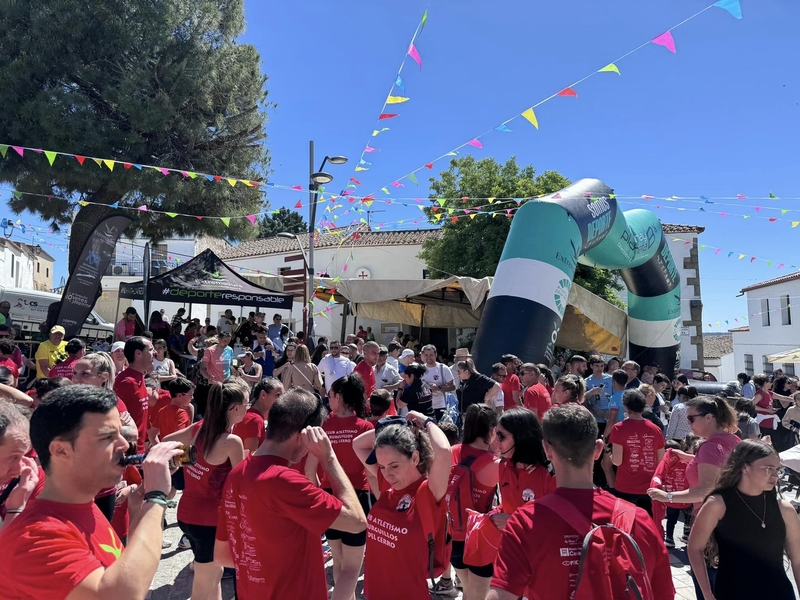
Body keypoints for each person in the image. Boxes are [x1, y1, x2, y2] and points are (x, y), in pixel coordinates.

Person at [0, 385, 182, 598]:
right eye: (107, 437)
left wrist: (143, 495)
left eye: (120, 434)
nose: (124, 445)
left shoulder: (80, 505)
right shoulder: (37, 536)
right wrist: (157, 497)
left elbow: (123, 567)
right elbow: (120, 595)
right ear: (61, 450)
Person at [487, 404, 674, 600]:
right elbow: (663, 592)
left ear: (547, 450)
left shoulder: (524, 523)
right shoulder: (640, 520)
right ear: (598, 449)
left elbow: (501, 594)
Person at [215, 388, 367, 599]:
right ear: (303, 436)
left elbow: (223, 556)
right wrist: (328, 457)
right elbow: (357, 521)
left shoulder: (237, 473)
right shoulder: (284, 481)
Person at [353, 410, 452, 600]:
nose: (387, 474)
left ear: (415, 458)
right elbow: (357, 444)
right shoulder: (387, 482)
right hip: (373, 593)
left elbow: (444, 451)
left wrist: (425, 421)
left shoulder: (427, 492)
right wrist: (395, 428)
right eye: (382, 466)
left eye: (394, 466)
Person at [648, 396, 740, 594]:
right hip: (732, 521)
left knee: (708, 586)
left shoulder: (709, 447)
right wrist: (689, 457)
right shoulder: (732, 440)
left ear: (708, 417)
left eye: (691, 419)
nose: (687, 423)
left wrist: (666, 496)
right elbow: (719, 466)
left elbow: (704, 489)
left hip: (711, 527)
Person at [165, 378, 247, 600]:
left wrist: (186, 461)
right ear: (235, 408)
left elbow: (165, 441)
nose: (248, 409)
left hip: (188, 514)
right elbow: (241, 484)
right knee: (204, 582)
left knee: (216, 570)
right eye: (247, 404)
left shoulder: (200, 428)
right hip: (209, 521)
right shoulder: (231, 441)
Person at [688, 440, 800, 600]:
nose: (775, 476)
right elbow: (694, 548)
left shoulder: (784, 509)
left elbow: (798, 560)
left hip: (779, 592)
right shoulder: (718, 504)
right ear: (745, 467)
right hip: (732, 592)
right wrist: (707, 593)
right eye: (768, 469)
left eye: (777, 470)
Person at [304, 375, 374, 599]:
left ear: (340, 397)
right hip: (358, 497)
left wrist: (318, 495)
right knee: (352, 568)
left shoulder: (323, 426)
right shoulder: (365, 427)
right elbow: (372, 470)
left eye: (331, 395)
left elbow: (309, 469)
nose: (328, 398)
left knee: (338, 558)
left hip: (329, 497)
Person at [449, 404, 501, 600]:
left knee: (468, 588)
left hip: (451, 533)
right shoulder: (495, 463)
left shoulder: (451, 452)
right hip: (477, 537)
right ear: (491, 430)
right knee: (479, 593)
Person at [490, 407, 555, 519]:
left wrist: (512, 522)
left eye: (501, 435)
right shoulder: (503, 466)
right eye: (496, 434)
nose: (495, 440)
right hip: (510, 535)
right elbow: (507, 506)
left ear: (521, 437)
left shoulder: (549, 474)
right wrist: (488, 517)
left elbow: (553, 520)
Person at [610, 390, 665, 515]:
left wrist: (611, 456)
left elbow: (617, 461)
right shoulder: (656, 429)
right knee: (646, 526)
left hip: (626, 486)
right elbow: (660, 460)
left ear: (625, 406)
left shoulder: (619, 428)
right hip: (649, 487)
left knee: (625, 526)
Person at [0, 400, 44, 530]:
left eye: (25, 454)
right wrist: (15, 510)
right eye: (13, 457)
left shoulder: (31, 481)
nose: (20, 468)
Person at [114, 336, 155, 453]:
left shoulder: (140, 376)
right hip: (128, 451)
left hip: (140, 448)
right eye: (151, 349)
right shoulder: (126, 382)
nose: (155, 353)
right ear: (138, 353)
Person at [231, 377, 283, 454]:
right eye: (278, 395)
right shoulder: (255, 420)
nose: (282, 399)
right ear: (263, 395)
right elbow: (249, 459)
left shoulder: (250, 415)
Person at [419, 344, 456, 421]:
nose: (428, 357)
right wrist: (427, 387)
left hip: (440, 406)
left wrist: (438, 388)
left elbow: (453, 386)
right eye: (426, 355)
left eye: (431, 355)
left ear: (436, 355)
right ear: (422, 355)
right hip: (425, 407)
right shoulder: (420, 369)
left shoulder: (443, 368)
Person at [584, 355, 613, 427]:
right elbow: (583, 399)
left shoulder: (611, 379)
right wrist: (594, 408)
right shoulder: (586, 381)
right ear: (591, 366)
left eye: (602, 366)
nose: (600, 369)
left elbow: (617, 395)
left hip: (610, 417)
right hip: (595, 417)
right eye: (597, 366)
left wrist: (611, 409)